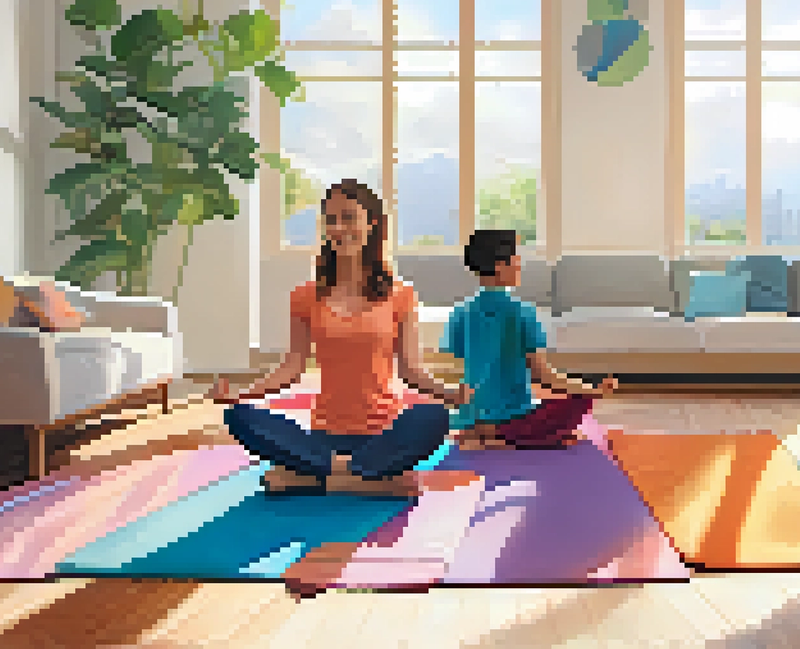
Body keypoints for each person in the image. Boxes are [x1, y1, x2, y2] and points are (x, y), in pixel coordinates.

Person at [213, 179, 471, 497]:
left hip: (383, 435)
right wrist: (242, 394)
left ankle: (315, 477)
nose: (339, 228)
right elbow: (291, 368)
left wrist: (450, 394)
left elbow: (410, 371)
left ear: (371, 223)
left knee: (433, 416)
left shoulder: (400, 295)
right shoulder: (305, 296)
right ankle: (369, 479)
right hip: (324, 436)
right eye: (331, 220)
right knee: (240, 417)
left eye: (349, 217)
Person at [443, 229, 617, 451]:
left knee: (549, 410)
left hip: (471, 415)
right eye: (516, 257)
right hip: (514, 417)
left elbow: (463, 363)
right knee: (578, 401)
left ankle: (483, 430)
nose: (520, 263)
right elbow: (543, 375)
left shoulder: (461, 311)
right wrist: (591, 389)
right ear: (499, 266)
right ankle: (504, 435)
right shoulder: (523, 312)